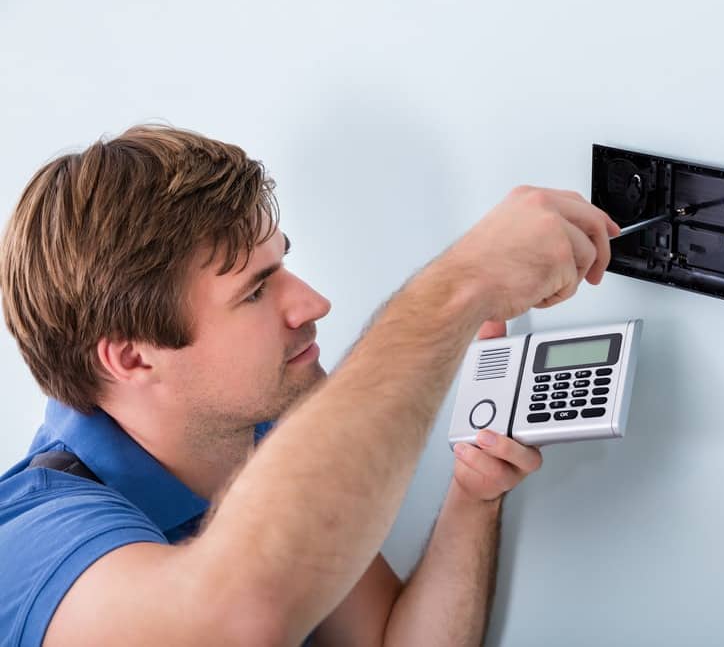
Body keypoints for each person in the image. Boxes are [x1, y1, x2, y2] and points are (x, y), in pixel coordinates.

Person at [0, 124, 619, 645]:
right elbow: (232, 623)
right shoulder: (31, 541)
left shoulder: (252, 432)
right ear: (132, 359)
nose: (313, 304)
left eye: (284, 263)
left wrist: (473, 494)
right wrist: (461, 285)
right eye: (255, 290)